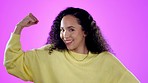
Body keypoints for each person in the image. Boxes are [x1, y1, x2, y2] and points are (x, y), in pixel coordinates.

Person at [4, 7, 139, 83]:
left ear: (85, 31)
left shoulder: (105, 61)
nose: (65, 35)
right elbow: (13, 63)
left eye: (71, 29)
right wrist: (18, 28)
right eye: (62, 30)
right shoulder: (48, 54)